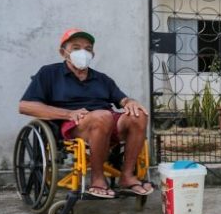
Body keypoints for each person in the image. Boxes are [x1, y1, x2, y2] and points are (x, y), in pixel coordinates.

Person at [19, 28, 152, 198]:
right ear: (63, 52)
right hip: (75, 123)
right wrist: (67, 114)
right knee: (102, 116)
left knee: (139, 114)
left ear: (93, 54)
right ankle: (97, 178)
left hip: (108, 122)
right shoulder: (49, 73)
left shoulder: (102, 79)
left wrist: (130, 102)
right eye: (76, 48)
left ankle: (127, 176)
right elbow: (25, 106)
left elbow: (123, 100)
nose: (83, 52)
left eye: (88, 49)